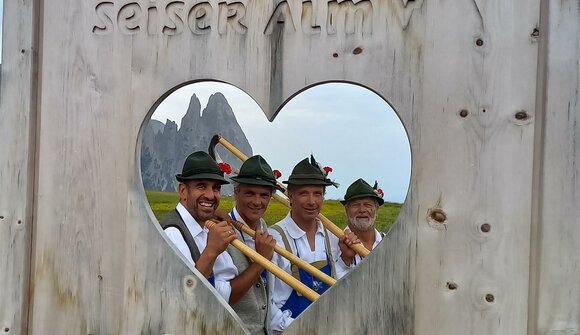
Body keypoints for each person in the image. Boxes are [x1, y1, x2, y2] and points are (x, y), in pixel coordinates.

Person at [267, 155, 357, 333]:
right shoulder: (274, 238)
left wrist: (346, 260)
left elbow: (337, 287)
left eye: (317, 193)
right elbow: (269, 307)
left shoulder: (332, 236)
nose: (311, 201)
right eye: (304, 193)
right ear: (290, 196)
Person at [160, 151, 238, 302]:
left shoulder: (205, 227)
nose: (210, 195)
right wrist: (212, 251)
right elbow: (184, 297)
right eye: (201, 186)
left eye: (216, 188)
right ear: (183, 191)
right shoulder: (172, 233)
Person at [225, 155, 282, 334]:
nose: (257, 202)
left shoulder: (264, 227)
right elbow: (224, 296)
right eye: (250, 193)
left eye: (264, 195)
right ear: (236, 192)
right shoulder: (222, 232)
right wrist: (261, 261)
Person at [336, 178, 385, 278]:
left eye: (367, 205)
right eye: (356, 205)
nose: (362, 210)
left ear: (376, 210)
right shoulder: (333, 243)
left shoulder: (388, 242)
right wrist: (345, 260)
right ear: (346, 210)